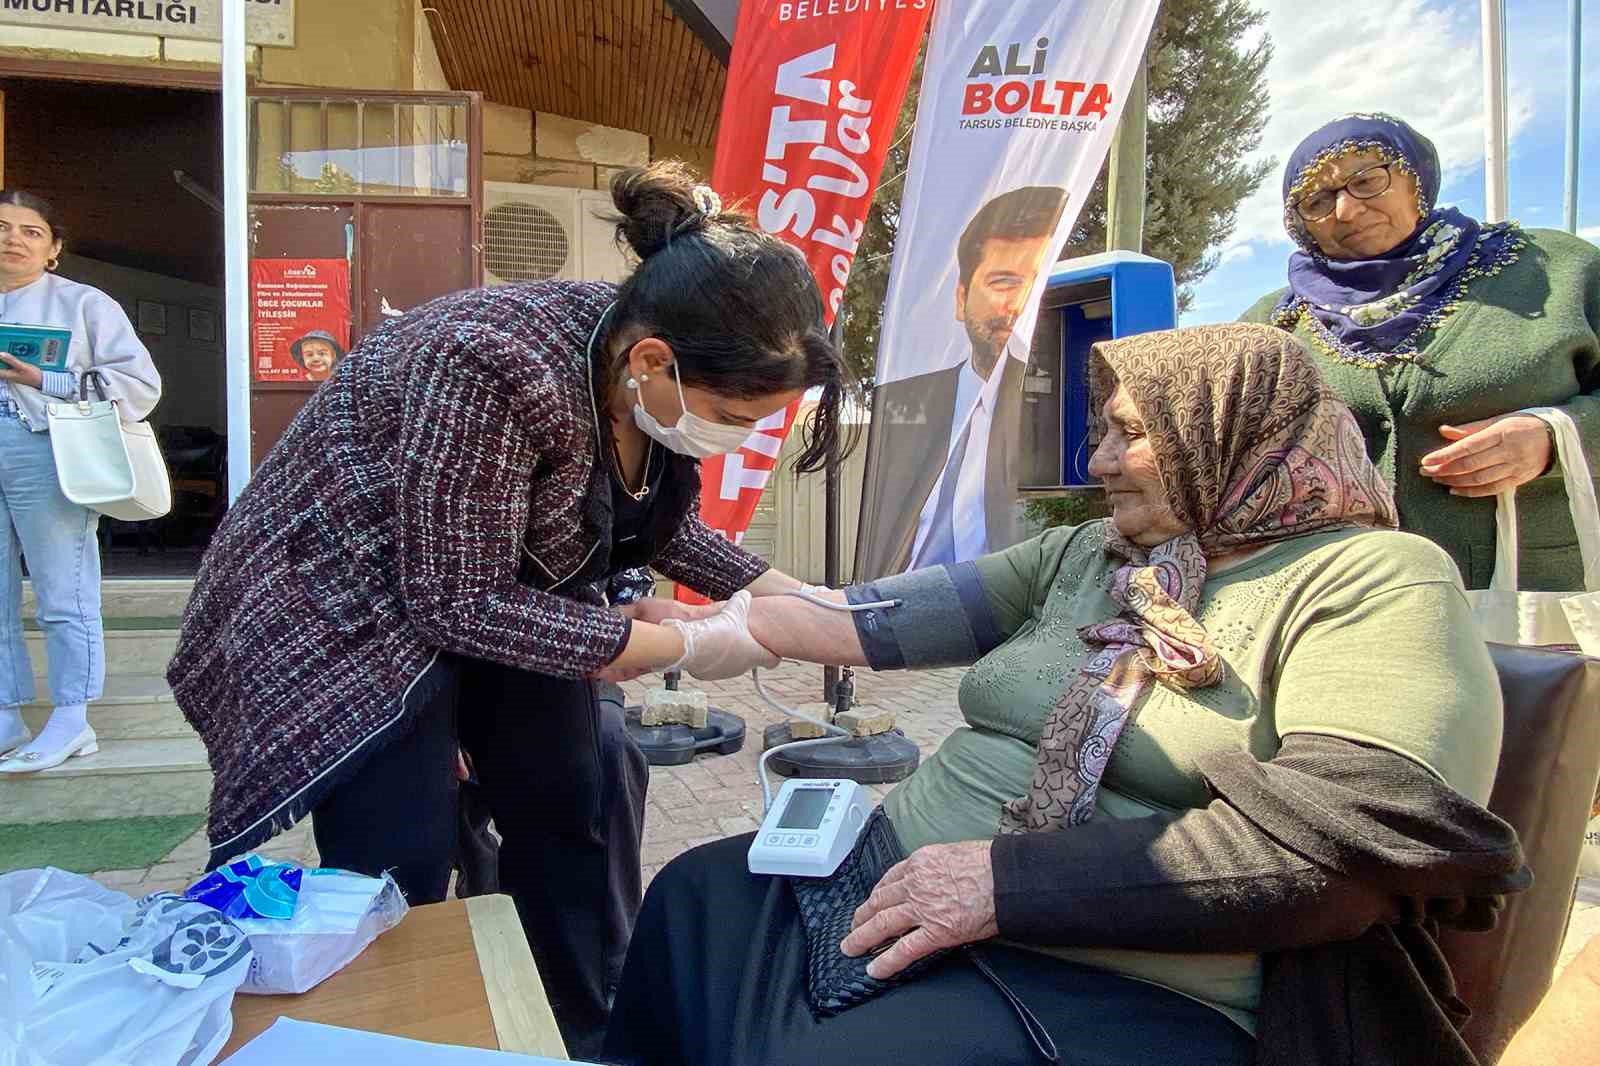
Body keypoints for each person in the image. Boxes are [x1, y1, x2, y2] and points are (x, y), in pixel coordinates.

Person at [605, 323, 1528, 1066]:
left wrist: (1002, 883)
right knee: (693, 900)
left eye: (1133, 432)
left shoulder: (1371, 578)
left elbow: (1350, 845)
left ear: (1228, 427)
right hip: (914, 888)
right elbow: (868, 618)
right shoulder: (1093, 556)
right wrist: (703, 631)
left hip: (1131, 977)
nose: (1100, 462)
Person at [167, 163, 856, 1058]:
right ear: (653, 361)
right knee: (399, 857)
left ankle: (582, 1027)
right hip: (346, 610)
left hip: (486, 596)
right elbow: (455, 600)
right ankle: (407, 1031)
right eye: (730, 412)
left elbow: (654, 528)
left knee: (571, 793)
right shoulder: (492, 361)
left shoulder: (640, 377)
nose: (733, 434)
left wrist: (784, 593)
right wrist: (670, 638)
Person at [1242, 112, 1600, 590]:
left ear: (1415, 179)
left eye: (1366, 181)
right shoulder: (1277, 320)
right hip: (1354, 603)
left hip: (1535, 596)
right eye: (1318, 200)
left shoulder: (1556, 269)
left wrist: (1555, 439)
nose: (1346, 211)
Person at [0, 191, 161, 773]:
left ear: (54, 248)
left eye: (31, 231)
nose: (14, 239)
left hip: (46, 450)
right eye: (2, 226)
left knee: (61, 587)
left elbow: (139, 387)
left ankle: (72, 716)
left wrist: (44, 377)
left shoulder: (84, 304)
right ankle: (6, 713)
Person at [859, 186, 1068, 577]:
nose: (1019, 307)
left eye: (1035, 288)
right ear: (961, 299)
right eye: (1004, 282)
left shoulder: (1062, 422)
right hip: (900, 607)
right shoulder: (902, 402)